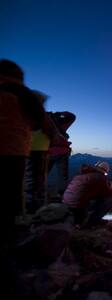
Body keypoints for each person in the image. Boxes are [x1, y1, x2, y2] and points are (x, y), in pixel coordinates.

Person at [0, 59, 45, 237]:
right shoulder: (23, 93)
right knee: (11, 193)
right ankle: (9, 236)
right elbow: (38, 121)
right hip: (13, 149)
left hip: (13, 147)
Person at [24, 91, 57, 213]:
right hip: (39, 149)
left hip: (25, 147)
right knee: (37, 177)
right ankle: (32, 206)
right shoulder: (39, 113)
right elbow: (51, 131)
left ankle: (27, 203)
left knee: (28, 176)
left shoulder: (23, 111)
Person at [63, 161, 112, 227]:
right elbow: (108, 193)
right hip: (78, 207)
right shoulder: (100, 177)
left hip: (67, 204)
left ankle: (85, 217)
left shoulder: (82, 174)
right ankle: (93, 221)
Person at [47, 111, 76, 199]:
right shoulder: (61, 124)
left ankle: (38, 193)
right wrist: (59, 113)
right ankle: (61, 195)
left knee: (43, 173)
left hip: (48, 152)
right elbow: (72, 116)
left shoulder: (45, 123)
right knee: (62, 176)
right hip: (62, 152)